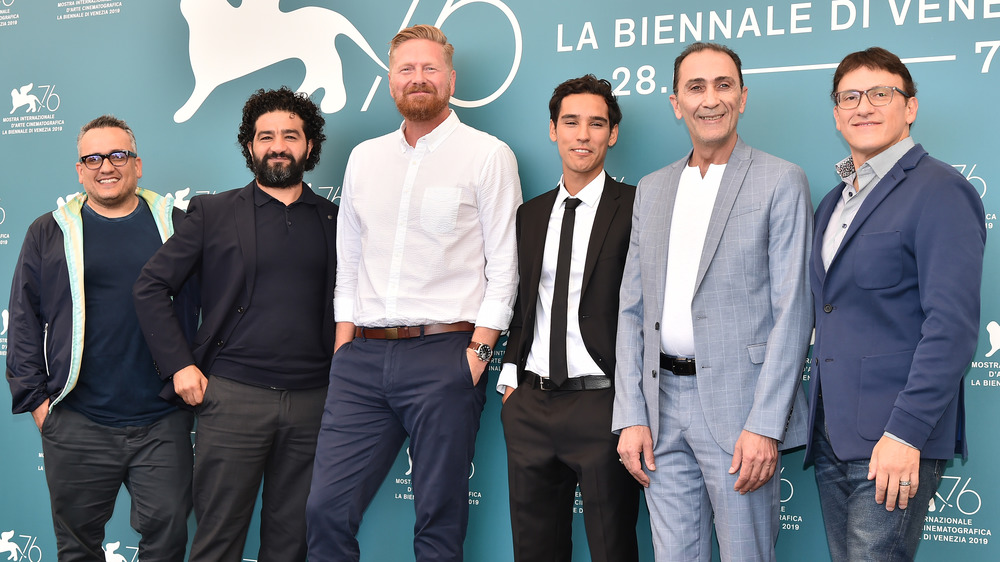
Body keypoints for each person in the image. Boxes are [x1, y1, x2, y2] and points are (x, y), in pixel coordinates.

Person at [305, 24, 521, 562]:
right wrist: (343, 345)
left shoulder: (488, 155)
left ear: (450, 78)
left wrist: (479, 352)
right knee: (325, 510)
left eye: (429, 68)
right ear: (390, 80)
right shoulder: (364, 158)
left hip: (446, 354)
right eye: (406, 69)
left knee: (438, 518)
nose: (418, 78)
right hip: (362, 358)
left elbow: (506, 265)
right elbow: (350, 261)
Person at [612, 42, 814, 561]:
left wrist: (765, 425)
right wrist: (631, 413)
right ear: (676, 102)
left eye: (723, 86)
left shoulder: (780, 180)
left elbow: (793, 312)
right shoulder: (652, 189)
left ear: (743, 98)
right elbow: (632, 310)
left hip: (739, 410)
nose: (711, 99)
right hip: (660, 412)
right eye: (695, 87)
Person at [133, 87, 338, 562]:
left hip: (314, 401)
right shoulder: (213, 212)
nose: (278, 145)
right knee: (218, 540)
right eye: (266, 136)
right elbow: (150, 286)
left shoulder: (335, 218)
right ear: (250, 146)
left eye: (291, 135)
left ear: (309, 146)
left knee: (292, 542)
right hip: (232, 398)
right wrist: (179, 366)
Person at [807, 47, 986, 561]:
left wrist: (905, 434)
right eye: (849, 97)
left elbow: (950, 328)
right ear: (837, 113)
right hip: (832, 436)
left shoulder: (940, 190)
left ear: (910, 107)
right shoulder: (832, 202)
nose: (863, 106)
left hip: (893, 438)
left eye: (880, 93)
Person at [6, 115, 197, 561]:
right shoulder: (47, 232)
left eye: (117, 155)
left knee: (167, 543)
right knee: (78, 548)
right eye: (92, 158)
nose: (105, 166)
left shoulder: (179, 225)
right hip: (78, 420)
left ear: (138, 164)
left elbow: (217, 307)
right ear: (79, 169)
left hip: (162, 418)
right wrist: (38, 404)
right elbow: (23, 321)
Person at [497, 74, 639, 562]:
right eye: (571, 122)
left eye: (596, 124)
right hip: (530, 405)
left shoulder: (638, 207)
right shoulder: (530, 214)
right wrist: (511, 380)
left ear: (612, 134)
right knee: (534, 550)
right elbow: (520, 303)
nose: (583, 135)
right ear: (553, 130)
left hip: (602, 403)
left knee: (612, 546)